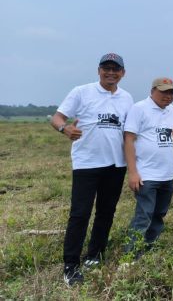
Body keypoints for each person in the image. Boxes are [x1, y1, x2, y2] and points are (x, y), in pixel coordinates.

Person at [50, 53, 134, 286]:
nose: (110, 73)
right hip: (87, 164)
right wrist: (64, 129)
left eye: (115, 69)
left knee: (106, 212)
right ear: (98, 70)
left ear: (122, 73)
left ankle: (94, 255)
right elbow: (57, 117)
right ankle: (71, 265)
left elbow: (130, 132)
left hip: (116, 165)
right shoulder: (81, 92)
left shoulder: (127, 98)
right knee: (80, 214)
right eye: (106, 68)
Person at [123, 77, 173, 258]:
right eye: (163, 91)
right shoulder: (139, 108)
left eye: (171, 92)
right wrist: (133, 172)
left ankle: (149, 246)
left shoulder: (172, 110)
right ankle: (131, 254)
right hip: (146, 174)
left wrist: (165, 140)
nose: (168, 96)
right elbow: (129, 139)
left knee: (159, 214)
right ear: (153, 90)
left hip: (168, 173)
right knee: (144, 215)